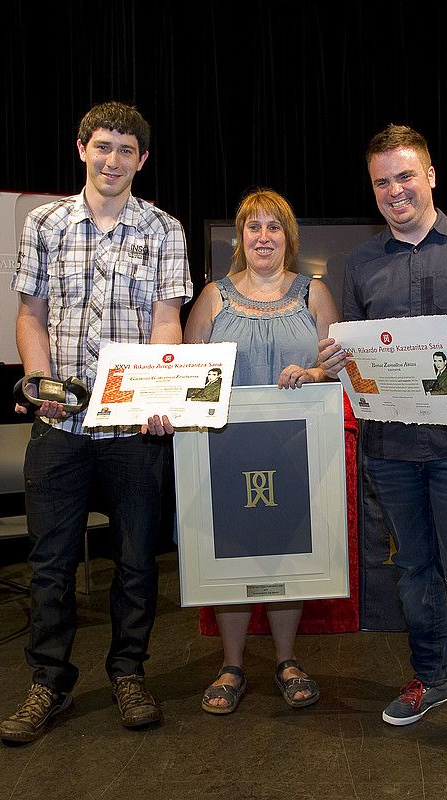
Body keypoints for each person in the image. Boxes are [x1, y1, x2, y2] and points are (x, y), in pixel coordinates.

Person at [317, 124, 447, 782]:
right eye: (381, 182)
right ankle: (429, 678)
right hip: (391, 448)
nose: (393, 190)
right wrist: (334, 360)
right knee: (413, 575)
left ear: (430, 176)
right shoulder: (361, 264)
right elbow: (352, 353)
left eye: (404, 176)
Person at [0, 101, 192, 743]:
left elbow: (167, 320)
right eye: (103, 146)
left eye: (127, 150)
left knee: (137, 560)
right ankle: (47, 682)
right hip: (61, 428)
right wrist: (38, 381)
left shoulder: (164, 229)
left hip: (134, 431)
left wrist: (163, 393)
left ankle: (129, 672)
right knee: (51, 563)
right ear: (82, 147)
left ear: (142, 159)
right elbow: (31, 315)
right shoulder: (45, 223)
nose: (113, 160)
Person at [177, 188, 338, 714]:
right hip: (226, 450)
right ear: (240, 238)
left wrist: (312, 372)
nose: (263, 237)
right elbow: (188, 373)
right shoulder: (212, 297)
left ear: (287, 238)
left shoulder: (314, 293)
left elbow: (338, 365)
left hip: (298, 451)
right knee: (233, 556)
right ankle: (232, 664)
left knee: (289, 551)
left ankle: (288, 661)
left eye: (274, 227)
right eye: (254, 227)